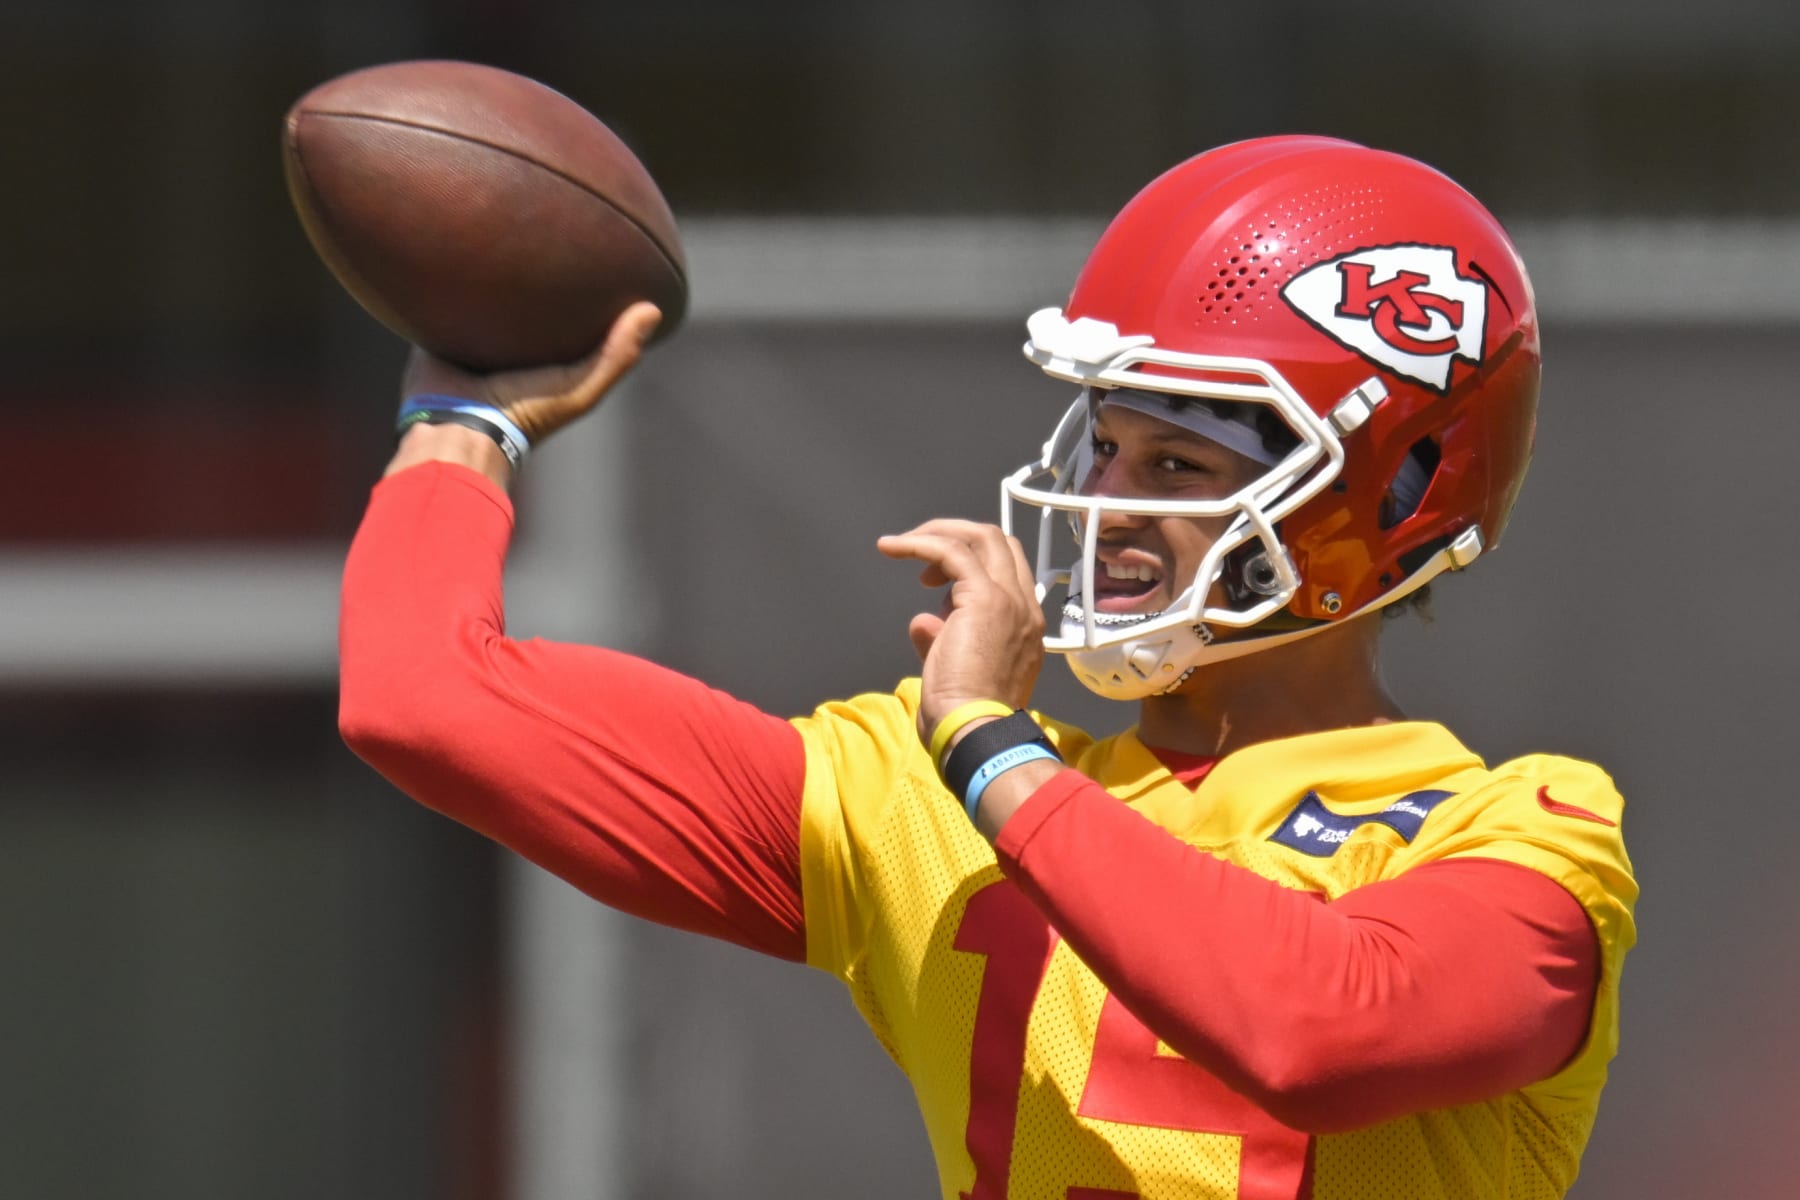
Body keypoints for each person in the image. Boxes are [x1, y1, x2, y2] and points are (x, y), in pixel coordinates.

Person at [339, 135, 1636, 1198]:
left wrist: (994, 750)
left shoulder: (1522, 827)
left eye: (1176, 464)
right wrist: (464, 427)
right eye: (1105, 445)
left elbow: (1318, 1028)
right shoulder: (932, 788)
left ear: (1399, 493)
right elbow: (425, 697)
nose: (1107, 505)